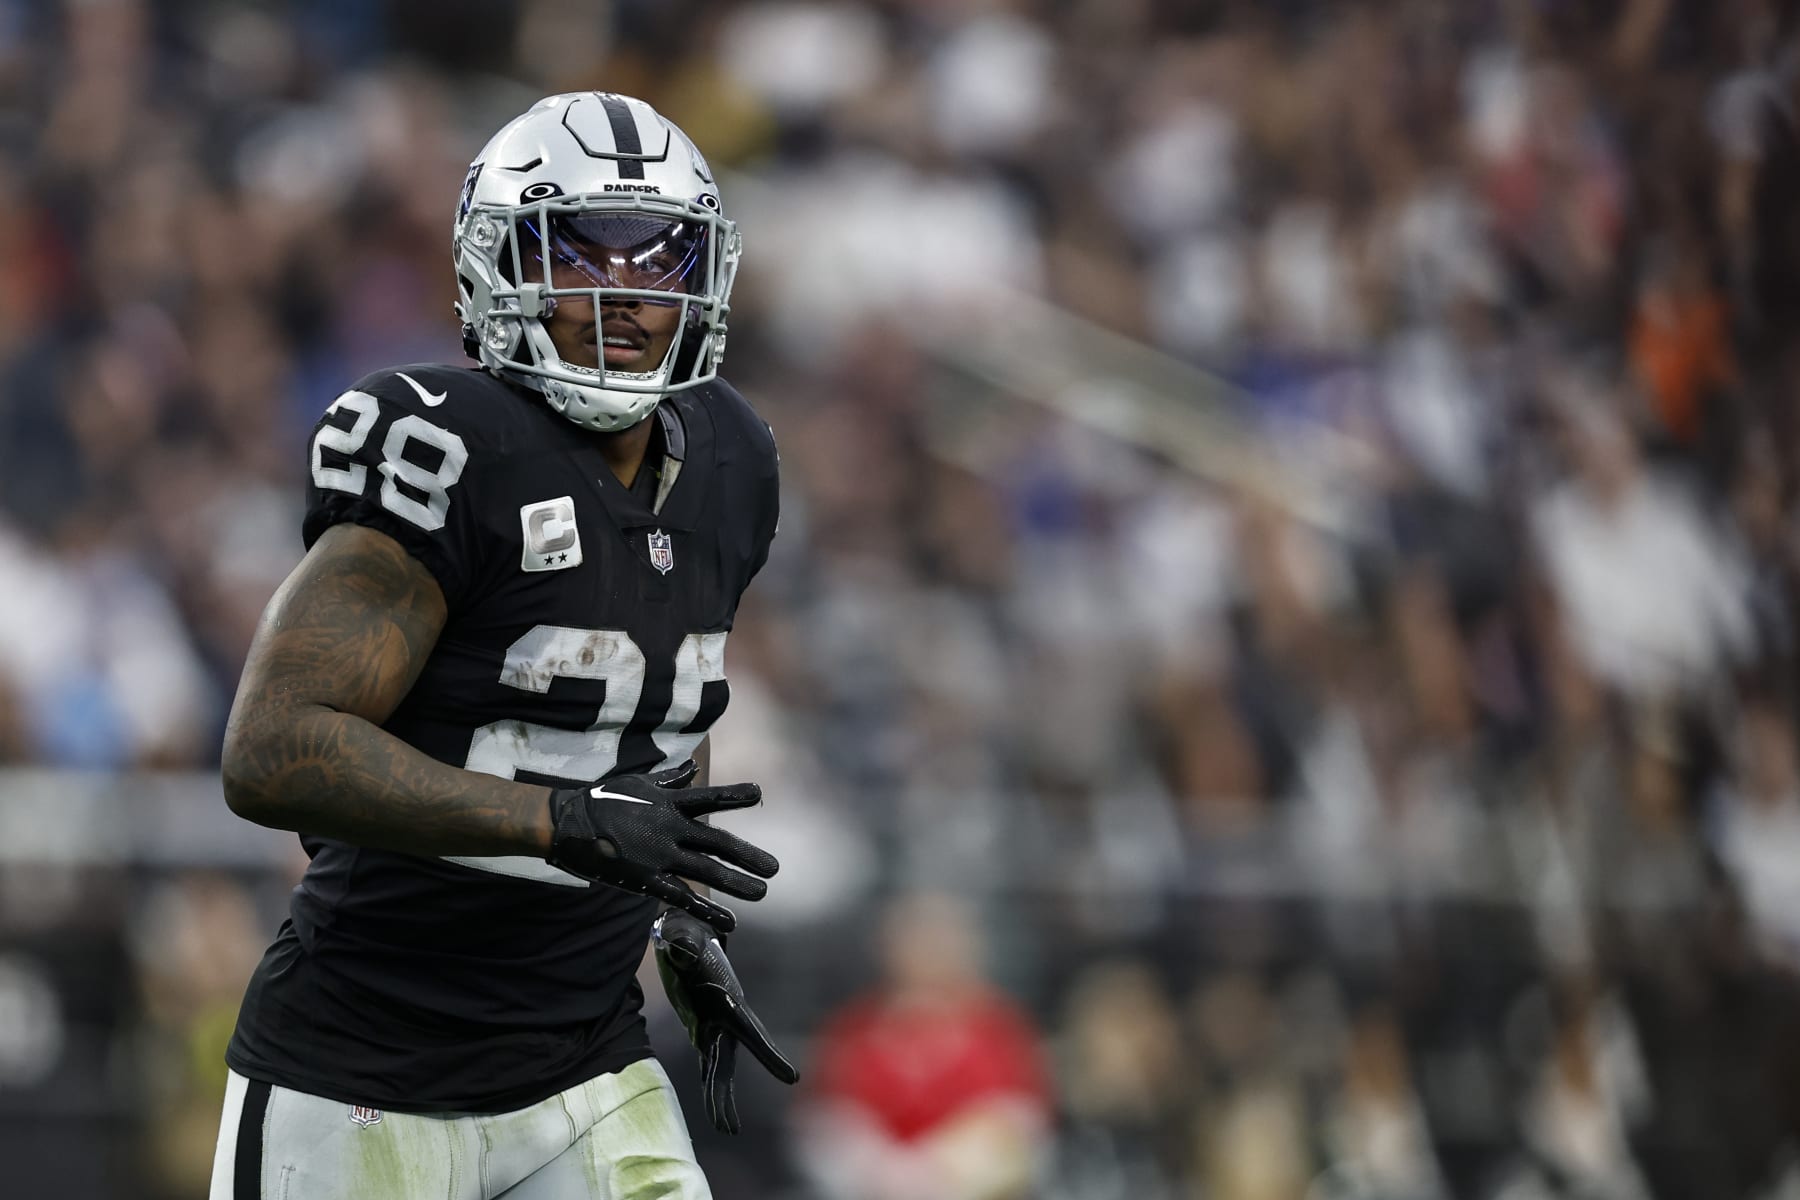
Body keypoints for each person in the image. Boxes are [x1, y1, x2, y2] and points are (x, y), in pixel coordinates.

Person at [207, 91, 798, 1199]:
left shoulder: (733, 457)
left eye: (659, 257)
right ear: (499, 264)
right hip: (361, 1070)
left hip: (585, 1063)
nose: (624, 292)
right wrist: (557, 821)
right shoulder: (446, 445)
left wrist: (678, 913)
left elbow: (657, 711)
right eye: (581, 250)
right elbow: (271, 750)